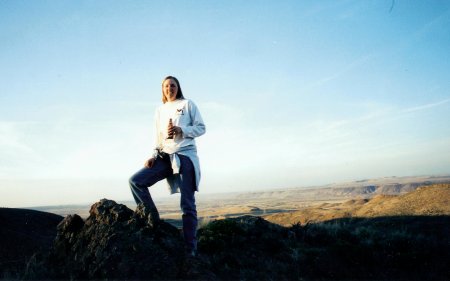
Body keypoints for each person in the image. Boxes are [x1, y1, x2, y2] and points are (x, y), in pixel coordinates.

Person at [129, 76, 206, 256]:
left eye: (173, 85)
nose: (169, 88)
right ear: (162, 89)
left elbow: (202, 128)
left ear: (178, 88)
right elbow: (159, 137)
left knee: (187, 203)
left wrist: (183, 131)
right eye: (166, 86)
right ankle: (152, 221)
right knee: (136, 181)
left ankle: (190, 248)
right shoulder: (160, 110)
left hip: (185, 156)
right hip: (164, 156)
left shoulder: (188, 104)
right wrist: (153, 155)